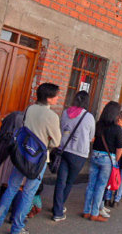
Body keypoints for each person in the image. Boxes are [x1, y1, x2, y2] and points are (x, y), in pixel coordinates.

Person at [0, 83, 61, 233]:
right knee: (28, 192)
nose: (58, 98)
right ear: (49, 98)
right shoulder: (52, 116)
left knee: (12, 187)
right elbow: (56, 142)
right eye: (56, 95)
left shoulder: (30, 109)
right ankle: (17, 227)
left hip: (21, 153)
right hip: (38, 158)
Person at [52, 91, 95, 221]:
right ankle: (58, 207)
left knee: (60, 181)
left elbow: (60, 129)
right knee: (69, 182)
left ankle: (57, 211)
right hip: (79, 154)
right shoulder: (89, 117)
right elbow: (91, 137)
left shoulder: (65, 113)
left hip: (63, 150)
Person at [82, 101, 122, 222]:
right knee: (100, 186)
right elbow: (119, 148)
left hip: (95, 155)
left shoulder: (98, 124)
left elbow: (92, 139)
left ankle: (86, 211)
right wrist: (115, 161)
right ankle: (94, 213)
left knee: (91, 185)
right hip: (107, 159)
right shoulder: (117, 129)